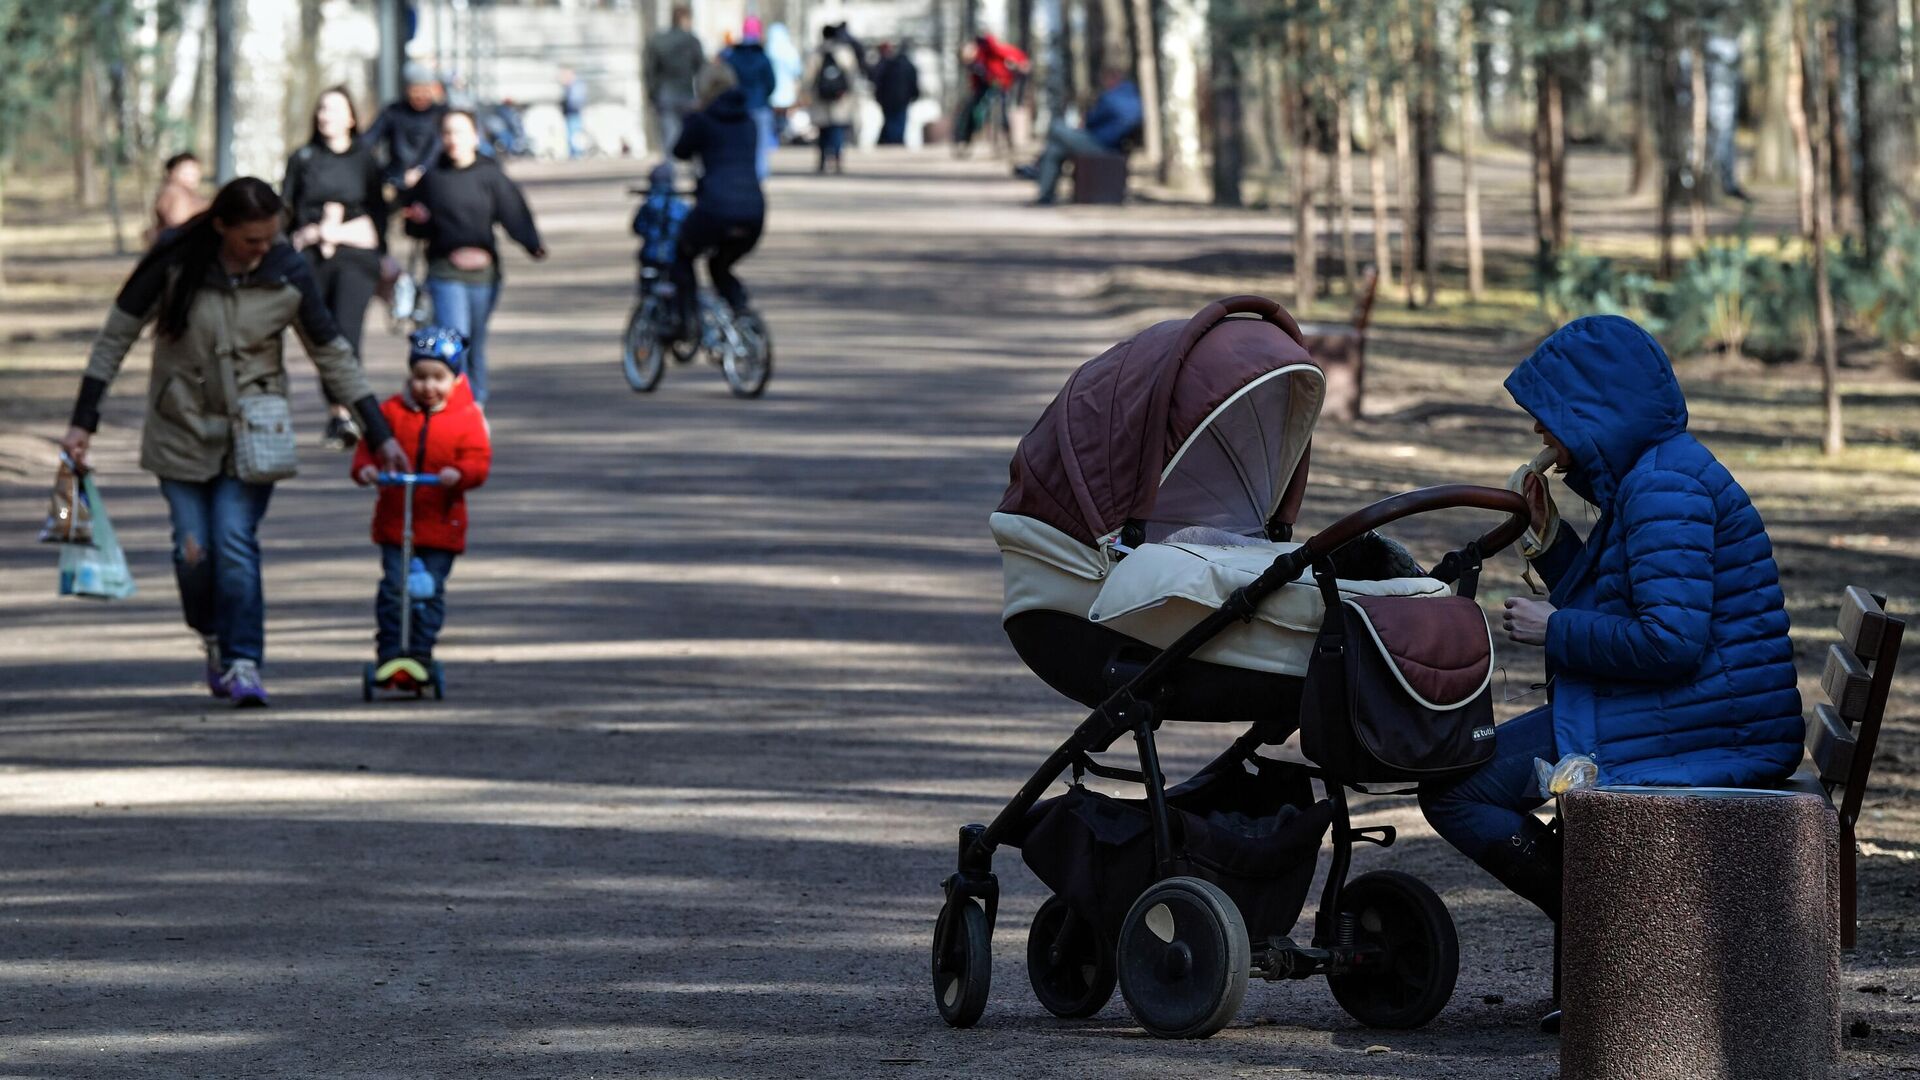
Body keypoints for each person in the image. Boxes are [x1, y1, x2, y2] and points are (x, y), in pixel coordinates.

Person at [1418, 315, 1804, 1030]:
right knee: (1461, 779)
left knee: (1457, 790)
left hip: (1704, 732)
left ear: (1595, 412)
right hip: (1683, 714)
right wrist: (1549, 538)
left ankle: (1613, 939)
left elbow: (1670, 641)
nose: (1542, 438)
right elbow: (1630, 605)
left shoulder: (1665, 491)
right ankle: (1610, 935)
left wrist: (1552, 629)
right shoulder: (1654, 477)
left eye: (1550, 420)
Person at [59, 178, 408, 706]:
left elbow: (332, 354)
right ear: (221, 226)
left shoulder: (286, 271)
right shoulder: (175, 263)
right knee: (192, 551)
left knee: (234, 540)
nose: (263, 249)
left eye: (270, 238)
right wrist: (83, 420)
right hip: (180, 429)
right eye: (252, 240)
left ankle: (245, 661)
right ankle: (215, 637)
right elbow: (115, 339)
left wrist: (378, 432)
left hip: (254, 434)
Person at [351, 327, 491, 667]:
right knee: (393, 590)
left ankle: (420, 651)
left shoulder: (467, 416)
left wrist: (459, 473)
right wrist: (367, 469)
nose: (428, 386)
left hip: (442, 524)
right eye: (420, 377)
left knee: (428, 592)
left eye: (438, 377)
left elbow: (478, 460)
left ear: (455, 379)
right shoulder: (393, 413)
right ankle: (388, 653)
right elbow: (369, 447)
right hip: (397, 521)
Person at [400, 109, 547, 406]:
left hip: (485, 275)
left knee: (476, 343)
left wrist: (532, 244)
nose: (454, 140)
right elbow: (414, 225)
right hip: (445, 271)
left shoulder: (490, 174)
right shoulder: (432, 178)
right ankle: (459, 405)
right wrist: (416, 218)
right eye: (448, 133)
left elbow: (514, 213)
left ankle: (476, 405)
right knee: (456, 339)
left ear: (475, 137)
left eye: (460, 132)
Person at [283, 86, 388, 452]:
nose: (327, 116)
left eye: (336, 109)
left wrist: (384, 257)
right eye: (322, 109)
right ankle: (336, 411)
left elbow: (379, 211)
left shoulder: (366, 159)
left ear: (352, 118)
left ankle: (348, 411)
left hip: (355, 258)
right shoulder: (303, 157)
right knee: (321, 336)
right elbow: (286, 208)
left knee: (345, 335)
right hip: (311, 258)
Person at [671, 62, 764, 334]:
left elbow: (680, 151)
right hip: (753, 210)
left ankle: (686, 319)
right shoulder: (749, 121)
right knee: (719, 264)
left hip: (716, 207)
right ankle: (742, 313)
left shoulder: (702, 120)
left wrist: (691, 118)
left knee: (680, 253)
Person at [1018, 68, 1142, 205]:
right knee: (1055, 149)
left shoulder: (1112, 97)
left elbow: (1090, 121)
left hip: (1102, 146)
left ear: (1113, 78)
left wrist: (1087, 119)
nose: (1105, 84)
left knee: (1055, 127)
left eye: (1105, 80)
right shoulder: (1131, 96)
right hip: (1112, 146)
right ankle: (1044, 193)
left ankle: (1038, 172)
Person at [364, 63, 448, 191]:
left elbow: (438, 145)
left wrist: (420, 169)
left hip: (434, 182)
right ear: (407, 89)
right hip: (397, 180)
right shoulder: (393, 112)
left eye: (425, 90)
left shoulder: (441, 114)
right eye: (416, 90)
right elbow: (369, 140)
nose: (420, 96)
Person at [645, 5, 706, 160]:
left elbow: (650, 71)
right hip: (687, 93)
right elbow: (702, 69)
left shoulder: (658, 40)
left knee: (668, 137)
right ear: (685, 19)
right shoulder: (691, 40)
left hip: (665, 94)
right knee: (693, 135)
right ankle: (696, 172)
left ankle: (669, 175)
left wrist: (652, 94)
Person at [955, 33, 1029, 155]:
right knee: (972, 110)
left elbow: (1005, 52)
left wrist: (1020, 62)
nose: (969, 59)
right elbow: (975, 78)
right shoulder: (974, 62)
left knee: (1003, 110)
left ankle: (1007, 140)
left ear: (971, 48)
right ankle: (965, 140)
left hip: (1002, 82)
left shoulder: (987, 48)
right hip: (985, 85)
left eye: (968, 55)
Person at [803, 24, 862, 174]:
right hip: (840, 99)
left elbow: (808, 78)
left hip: (820, 99)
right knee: (837, 130)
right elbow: (852, 76)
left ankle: (822, 161)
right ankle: (837, 161)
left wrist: (807, 94)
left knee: (823, 131)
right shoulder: (845, 52)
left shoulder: (816, 53)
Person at [725, 18, 778, 181]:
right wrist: (763, 95)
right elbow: (771, 83)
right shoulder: (763, 57)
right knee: (760, 145)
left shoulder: (733, 57)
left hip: (737, 108)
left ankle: (738, 174)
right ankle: (759, 175)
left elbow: (727, 82)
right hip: (760, 105)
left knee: (736, 143)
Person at [632, 161, 690, 274]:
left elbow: (637, 227)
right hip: (675, 255)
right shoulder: (681, 205)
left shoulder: (649, 204)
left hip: (650, 254)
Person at [148, 152, 209, 245]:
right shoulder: (175, 193)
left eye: (195, 171)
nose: (192, 176)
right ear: (172, 172)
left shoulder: (188, 194)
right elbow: (178, 225)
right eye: (186, 172)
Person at [872, 41, 921, 147]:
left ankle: (892, 140)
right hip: (903, 98)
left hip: (888, 99)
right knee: (899, 120)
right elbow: (913, 82)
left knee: (891, 120)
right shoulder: (908, 65)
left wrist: (879, 97)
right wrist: (915, 94)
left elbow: (878, 82)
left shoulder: (887, 65)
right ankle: (896, 141)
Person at [559, 67, 588, 159]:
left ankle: (576, 152)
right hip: (571, 113)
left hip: (574, 113)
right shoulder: (572, 86)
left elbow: (575, 101)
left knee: (575, 134)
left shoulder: (576, 85)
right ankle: (574, 152)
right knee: (573, 134)